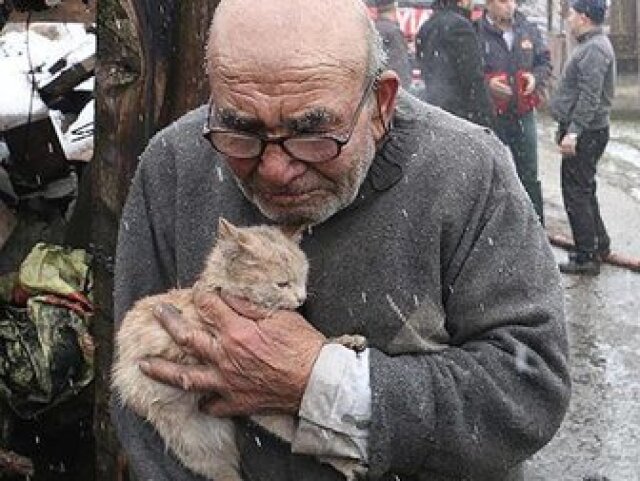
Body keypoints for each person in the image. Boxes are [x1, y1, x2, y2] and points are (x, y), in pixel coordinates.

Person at [111, 0, 570, 480]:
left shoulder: (469, 171)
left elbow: (529, 391)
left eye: (313, 133)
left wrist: (323, 384)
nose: (275, 169)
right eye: (242, 130)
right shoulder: (175, 164)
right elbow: (140, 398)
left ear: (381, 105)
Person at [549, 0, 615, 275]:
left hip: (586, 131)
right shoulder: (592, 45)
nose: (569, 18)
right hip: (588, 129)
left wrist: (574, 132)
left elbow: (590, 95)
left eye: (572, 14)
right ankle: (598, 243)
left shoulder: (594, 49)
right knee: (585, 188)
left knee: (575, 192)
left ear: (585, 17)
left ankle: (586, 256)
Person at [476, 0, 551, 223]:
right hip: (492, 116)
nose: (509, 6)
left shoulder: (528, 29)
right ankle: (498, 228)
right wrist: (487, 84)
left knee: (529, 173)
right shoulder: (476, 33)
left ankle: (536, 227)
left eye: (513, 1)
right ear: (488, 4)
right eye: (502, 1)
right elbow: (469, 73)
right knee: (492, 174)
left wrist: (535, 78)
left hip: (523, 113)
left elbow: (544, 62)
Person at [415, 0, 495, 128]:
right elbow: (472, 77)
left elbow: (423, 65)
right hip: (462, 115)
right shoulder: (461, 27)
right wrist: (487, 118)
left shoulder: (427, 26)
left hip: (435, 111)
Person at [369, 0, 412, 89]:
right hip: (391, 90)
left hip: (375, 89)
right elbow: (401, 68)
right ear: (394, 7)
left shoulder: (372, 29)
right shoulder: (393, 32)